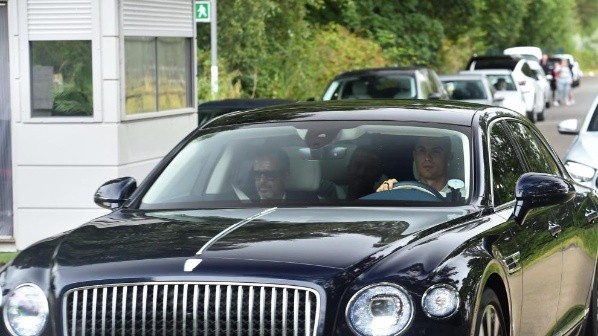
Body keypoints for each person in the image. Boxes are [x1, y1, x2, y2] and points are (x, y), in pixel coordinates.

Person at [376, 136, 463, 198]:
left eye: (436, 152)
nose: (427, 158)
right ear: (414, 156)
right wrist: (385, 192)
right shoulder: (401, 192)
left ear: (449, 157)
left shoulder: (464, 196)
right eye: (422, 151)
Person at [250, 146, 318, 201]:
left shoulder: (306, 203)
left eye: (269, 175)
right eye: (257, 175)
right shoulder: (243, 201)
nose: (262, 181)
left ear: (285, 176)